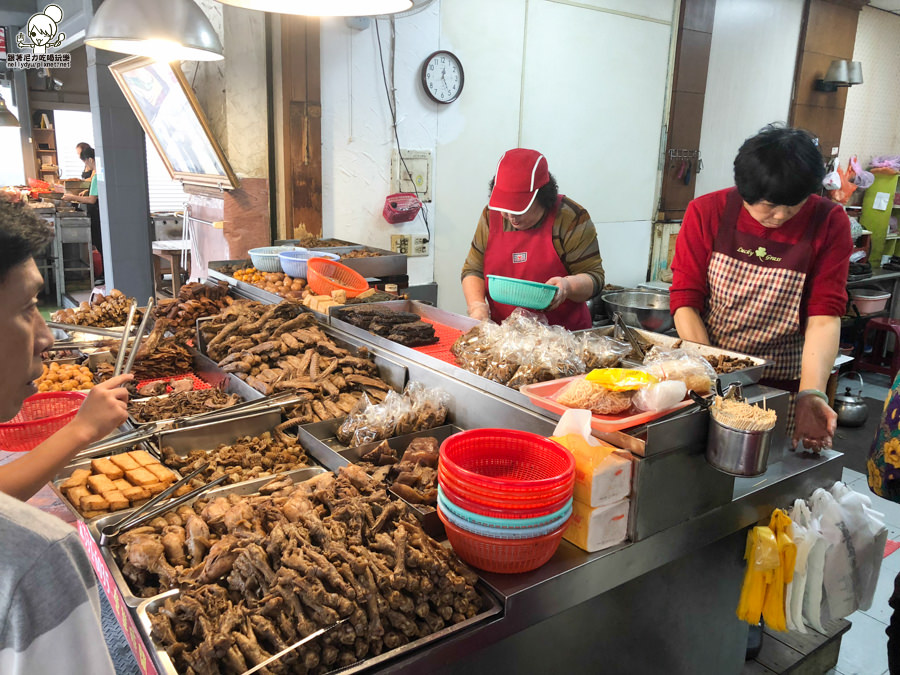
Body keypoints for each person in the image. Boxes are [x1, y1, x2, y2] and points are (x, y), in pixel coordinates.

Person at [0, 198, 132, 673]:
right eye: (29, 306)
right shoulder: (37, 561)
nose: (48, 335)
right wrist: (81, 429)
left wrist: (81, 430)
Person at [670, 124, 852, 451]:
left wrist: (812, 394)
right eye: (768, 205)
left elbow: (824, 316)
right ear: (744, 189)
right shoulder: (707, 211)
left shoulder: (829, 221)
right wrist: (713, 380)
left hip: (781, 386)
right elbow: (686, 301)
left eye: (793, 205)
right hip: (708, 373)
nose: (779, 216)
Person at [461, 148, 605, 330]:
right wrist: (477, 306)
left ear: (543, 197)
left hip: (564, 340)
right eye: (505, 208)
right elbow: (473, 269)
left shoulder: (570, 218)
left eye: (519, 209)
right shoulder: (491, 216)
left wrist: (567, 286)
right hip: (506, 337)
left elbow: (594, 278)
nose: (510, 216)